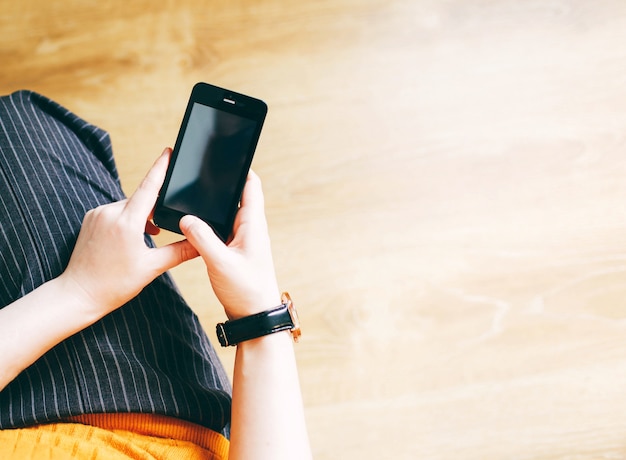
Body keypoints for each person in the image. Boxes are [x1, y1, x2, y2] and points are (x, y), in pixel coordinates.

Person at [0, 90, 312, 459]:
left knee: (21, 121)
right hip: (184, 428)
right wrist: (258, 312)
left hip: (38, 423)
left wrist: (79, 291)